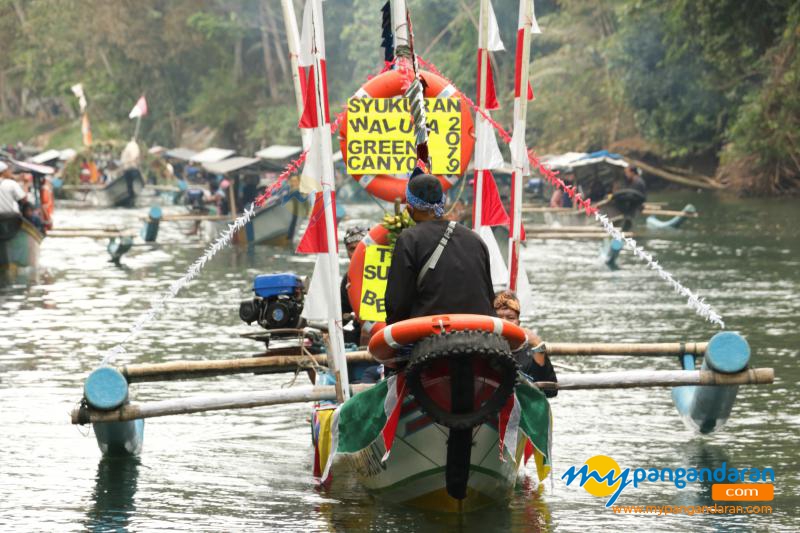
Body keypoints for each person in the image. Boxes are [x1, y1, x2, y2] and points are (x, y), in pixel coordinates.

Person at [385, 173, 495, 325]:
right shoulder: (475, 239)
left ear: (410, 209)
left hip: (432, 336)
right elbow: (489, 296)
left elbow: (396, 304)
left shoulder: (409, 239)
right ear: (443, 203)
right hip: (481, 334)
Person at [493, 290, 557, 397]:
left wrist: (538, 345)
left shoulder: (533, 349)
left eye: (510, 318)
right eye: (499, 318)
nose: (504, 322)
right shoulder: (483, 349)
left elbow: (550, 391)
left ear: (518, 323)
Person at [341, 225, 368, 345]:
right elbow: (341, 315)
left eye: (360, 247)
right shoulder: (347, 280)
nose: (356, 253)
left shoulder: (389, 270)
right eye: (352, 249)